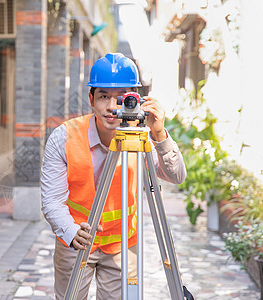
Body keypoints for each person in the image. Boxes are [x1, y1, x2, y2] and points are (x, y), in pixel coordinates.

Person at [40, 53, 187, 300]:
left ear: (136, 100)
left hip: (123, 245)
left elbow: (176, 176)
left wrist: (159, 134)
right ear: (91, 99)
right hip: (76, 241)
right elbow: (51, 200)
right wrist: (70, 231)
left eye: (121, 98)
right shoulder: (64, 137)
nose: (111, 107)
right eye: (103, 97)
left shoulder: (142, 137)